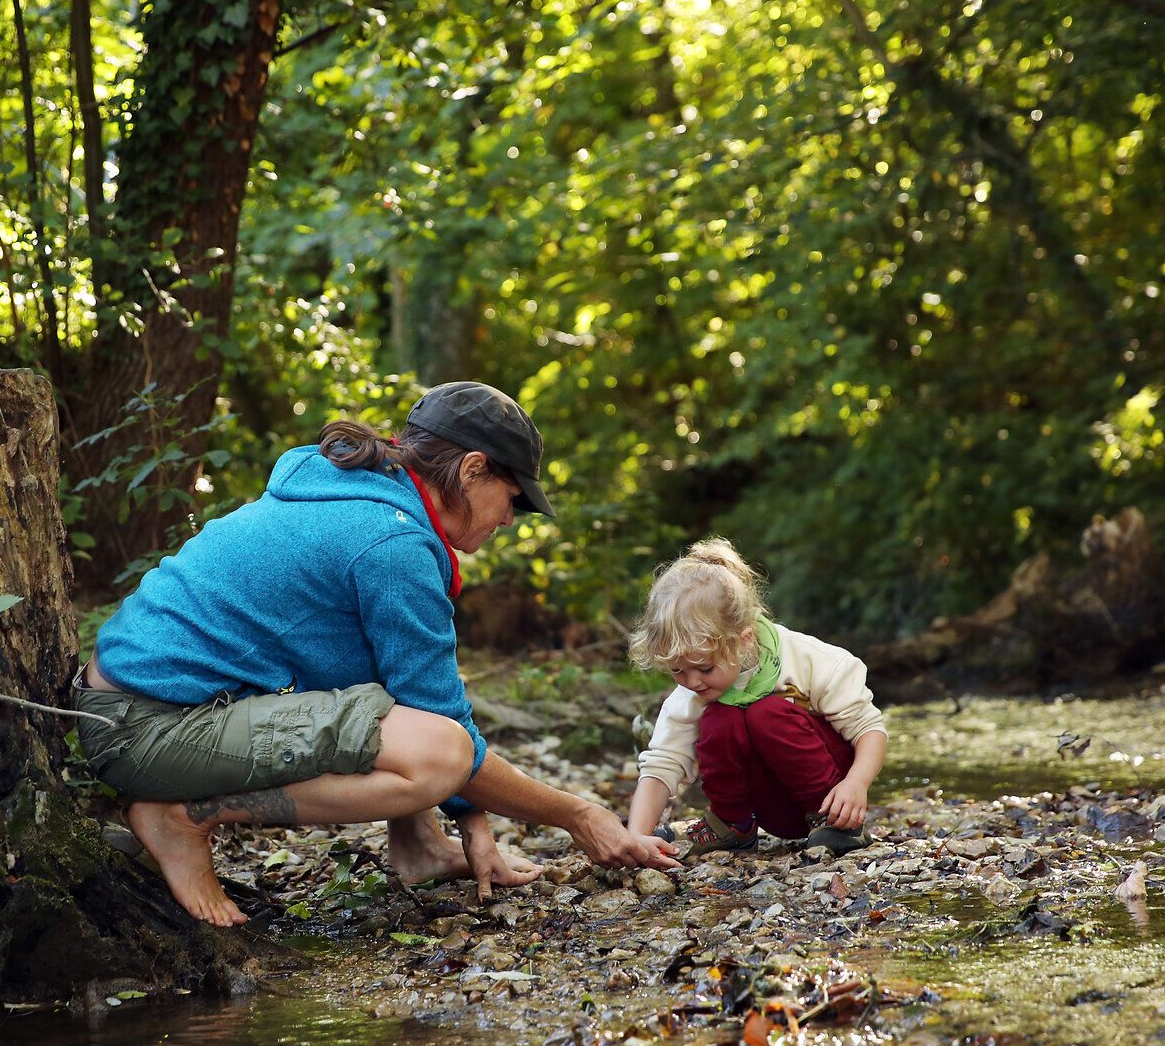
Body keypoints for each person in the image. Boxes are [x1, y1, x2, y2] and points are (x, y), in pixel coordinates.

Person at [76, 381, 681, 926]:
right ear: (472, 470)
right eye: (514, 498)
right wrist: (580, 815)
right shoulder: (392, 545)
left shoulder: (353, 491)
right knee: (439, 752)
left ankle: (416, 845)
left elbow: (391, 696)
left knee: (420, 735)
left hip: (118, 709)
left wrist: (467, 828)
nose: (509, 520)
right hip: (147, 730)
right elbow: (448, 737)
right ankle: (187, 815)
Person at [625, 538, 888, 854]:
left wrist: (856, 783)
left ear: (744, 640)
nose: (692, 682)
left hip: (835, 799)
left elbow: (868, 729)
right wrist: (636, 837)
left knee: (767, 713)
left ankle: (835, 827)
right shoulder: (689, 695)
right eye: (677, 671)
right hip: (770, 807)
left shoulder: (805, 658)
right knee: (722, 717)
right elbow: (660, 767)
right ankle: (732, 825)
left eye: (705, 669)